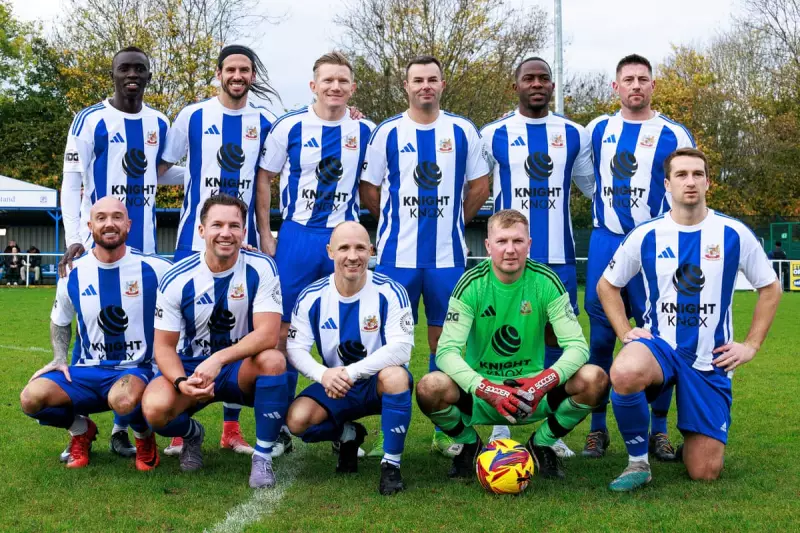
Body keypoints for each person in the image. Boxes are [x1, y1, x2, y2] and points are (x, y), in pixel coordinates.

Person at [598, 147, 781, 491]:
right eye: (681, 175)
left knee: (705, 471)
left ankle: (693, 442)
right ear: (667, 184)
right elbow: (608, 285)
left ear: (709, 182)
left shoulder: (734, 233)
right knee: (623, 370)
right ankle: (638, 462)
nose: (690, 181)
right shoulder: (646, 234)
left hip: (710, 357)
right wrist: (625, 331)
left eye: (698, 174)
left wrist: (751, 345)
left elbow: (770, 288)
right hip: (659, 348)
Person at [360, 55, 491, 457]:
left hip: (447, 258)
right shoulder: (387, 133)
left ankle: (445, 429)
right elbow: (369, 189)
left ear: (442, 84)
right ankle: (387, 428)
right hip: (397, 258)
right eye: (418, 80)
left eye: (432, 79)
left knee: (445, 343)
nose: (425, 86)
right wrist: (394, 223)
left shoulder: (462, 130)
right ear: (406, 85)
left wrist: (454, 221)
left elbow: (480, 185)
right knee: (386, 344)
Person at [415, 209, 608, 480]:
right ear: (488, 246)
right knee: (429, 387)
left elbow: (577, 346)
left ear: (529, 244)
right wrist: (486, 389)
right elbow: (446, 351)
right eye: (502, 241)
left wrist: (542, 383)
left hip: (530, 393)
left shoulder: (546, 281)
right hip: (482, 394)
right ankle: (470, 445)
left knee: (595, 379)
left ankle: (541, 444)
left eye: (518, 241)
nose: (510, 250)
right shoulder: (471, 284)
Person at [57, 46, 181, 462]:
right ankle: (81, 425)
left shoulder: (159, 122)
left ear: (149, 76)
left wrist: (206, 169)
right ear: (112, 75)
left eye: (140, 69)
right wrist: (75, 236)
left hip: (143, 247)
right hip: (100, 242)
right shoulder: (89, 119)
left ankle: (123, 428)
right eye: (124, 69)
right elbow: (71, 182)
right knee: (92, 328)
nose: (132, 75)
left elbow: (163, 172)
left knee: (140, 340)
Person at [158, 44, 279, 456]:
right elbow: (161, 168)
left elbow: (272, 173)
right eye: (231, 69)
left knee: (238, 328)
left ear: (252, 75)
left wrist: (265, 232)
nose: (238, 75)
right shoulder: (192, 115)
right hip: (193, 244)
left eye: (245, 69)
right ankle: (180, 425)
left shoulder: (265, 121)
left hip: (242, 244)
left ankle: (231, 428)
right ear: (219, 73)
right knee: (182, 332)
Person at [256, 51, 375, 457]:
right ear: (313, 85)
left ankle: (342, 425)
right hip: (297, 237)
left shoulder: (366, 130)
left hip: (344, 238)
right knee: (282, 333)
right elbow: (264, 178)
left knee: (351, 329)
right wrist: (265, 233)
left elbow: (375, 182)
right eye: (328, 80)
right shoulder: (288, 125)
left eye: (343, 81)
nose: (335, 87)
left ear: (352, 87)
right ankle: (276, 429)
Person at [582, 54, 695, 460]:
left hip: (655, 248)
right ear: (615, 87)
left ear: (652, 86)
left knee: (660, 336)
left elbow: (685, 183)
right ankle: (597, 430)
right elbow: (580, 173)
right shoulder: (597, 129)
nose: (635, 85)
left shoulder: (673, 133)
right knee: (601, 337)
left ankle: (658, 430)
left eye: (642, 79)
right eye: (627, 79)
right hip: (606, 240)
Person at [480, 56, 595, 456]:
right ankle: (500, 426)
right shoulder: (491, 134)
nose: (537, 84)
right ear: (516, 86)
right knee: (500, 342)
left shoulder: (574, 134)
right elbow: (469, 180)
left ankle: (549, 430)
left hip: (558, 259)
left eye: (544, 78)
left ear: (551, 85)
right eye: (528, 78)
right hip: (508, 260)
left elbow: (595, 187)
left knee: (555, 344)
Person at [141, 194, 289, 489]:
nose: (226, 233)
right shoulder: (177, 278)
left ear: (244, 233)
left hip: (238, 367)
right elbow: (164, 347)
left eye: (234, 226)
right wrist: (182, 382)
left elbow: (268, 334)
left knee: (274, 360)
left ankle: (262, 457)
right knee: (154, 408)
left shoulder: (262, 267)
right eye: (217, 225)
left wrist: (219, 359)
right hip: (193, 366)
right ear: (201, 231)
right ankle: (192, 434)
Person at [19, 197, 172, 470]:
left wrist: (241, 251)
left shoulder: (155, 268)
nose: (109, 223)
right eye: (101, 218)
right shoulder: (72, 272)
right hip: (88, 372)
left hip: (135, 369)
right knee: (31, 398)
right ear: (90, 226)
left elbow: (195, 282)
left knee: (123, 399)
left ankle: (143, 437)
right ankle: (81, 431)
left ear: (128, 224)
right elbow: (60, 320)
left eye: (117, 217)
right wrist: (58, 357)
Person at [284, 221, 414, 495]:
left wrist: (352, 372)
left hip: (375, 381)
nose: (352, 256)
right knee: (297, 421)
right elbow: (295, 348)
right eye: (344, 248)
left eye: (359, 248)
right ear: (330, 252)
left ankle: (391, 465)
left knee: (395, 375)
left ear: (371, 250)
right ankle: (348, 435)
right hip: (336, 384)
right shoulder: (311, 296)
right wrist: (323, 375)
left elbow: (402, 349)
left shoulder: (391, 291)